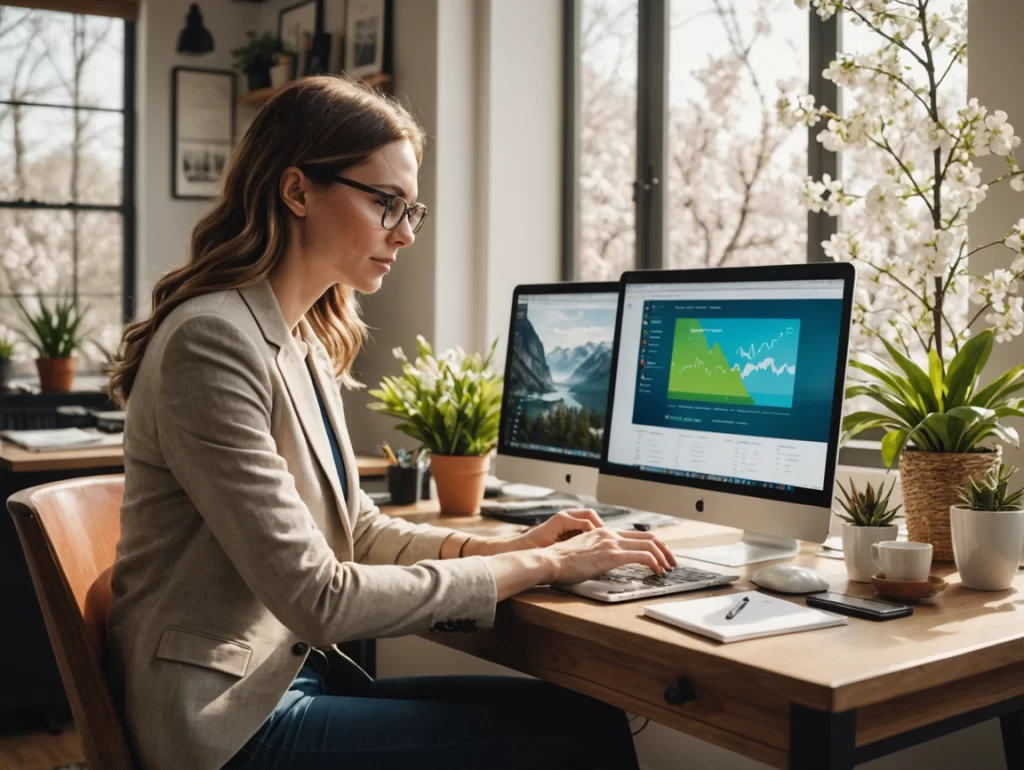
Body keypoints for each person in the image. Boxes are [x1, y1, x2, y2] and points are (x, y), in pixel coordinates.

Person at [105, 76, 676, 770]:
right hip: (227, 727)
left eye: (414, 210)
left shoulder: (298, 339)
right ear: (296, 191)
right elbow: (319, 597)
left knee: (588, 716)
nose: (405, 234)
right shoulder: (212, 341)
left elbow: (359, 529)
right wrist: (545, 564)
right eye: (386, 204)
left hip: (284, 682)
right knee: (577, 739)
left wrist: (511, 549)